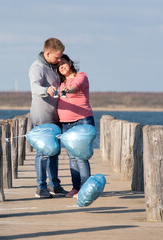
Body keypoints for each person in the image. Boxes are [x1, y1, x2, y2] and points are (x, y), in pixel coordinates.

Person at [29, 38, 68, 198]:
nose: (60, 60)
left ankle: (54, 185)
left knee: (55, 152)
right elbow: (35, 87)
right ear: (47, 53)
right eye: (57, 57)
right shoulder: (37, 67)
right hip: (42, 116)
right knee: (44, 152)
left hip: (55, 116)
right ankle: (41, 188)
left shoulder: (54, 67)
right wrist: (47, 90)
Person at [57, 54, 95, 198]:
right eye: (59, 66)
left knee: (81, 156)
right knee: (72, 157)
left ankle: (85, 189)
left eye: (63, 63)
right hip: (66, 124)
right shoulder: (61, 83)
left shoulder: (81, 76)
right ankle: (76, 188)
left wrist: (68, 90)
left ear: (69, 62)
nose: (61, 67)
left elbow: (75, 87)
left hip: (82, 120)